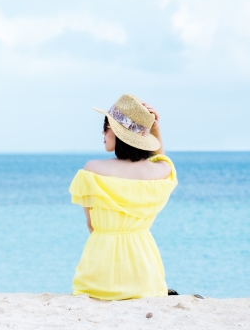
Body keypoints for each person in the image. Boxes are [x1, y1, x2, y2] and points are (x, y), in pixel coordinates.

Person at [68, 94, 178, 300]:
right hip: (144, 270)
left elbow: (91, 225)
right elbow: (161, 159)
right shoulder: (161, 172)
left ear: (117, 132)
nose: (102, 132)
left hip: (99, 269)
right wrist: (155, 130)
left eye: (106, 126)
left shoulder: (92, 170)